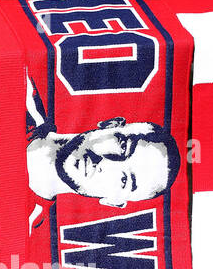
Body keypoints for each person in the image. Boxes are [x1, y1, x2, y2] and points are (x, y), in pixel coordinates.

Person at [26, 76, 180, 211]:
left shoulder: (30, 232)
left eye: (124, 180)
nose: (104, 164)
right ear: (111, 124)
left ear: (113, 202)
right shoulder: (22, 94)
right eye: (123, 146)